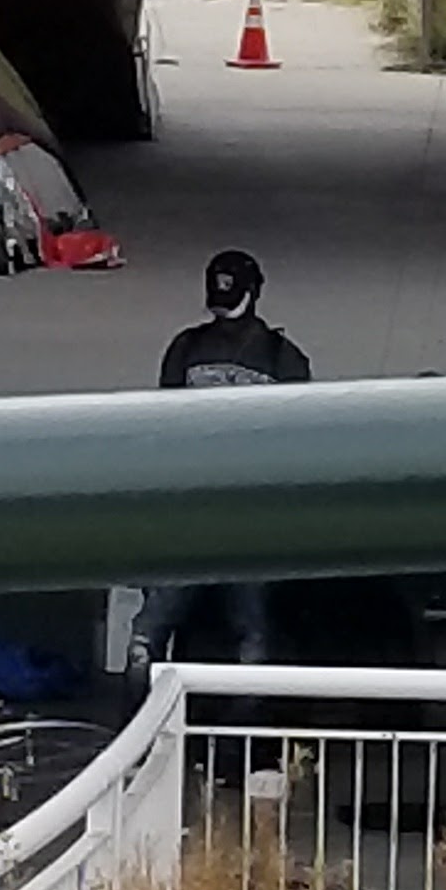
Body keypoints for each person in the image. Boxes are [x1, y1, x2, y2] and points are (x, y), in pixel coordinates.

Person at [134, 251, 312, 666]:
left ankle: (149, 694)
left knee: (161, 621)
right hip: (230, 511)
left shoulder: (194, 347)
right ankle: (240, 707)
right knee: (243, 625)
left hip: (213, 508)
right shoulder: (277, 355)